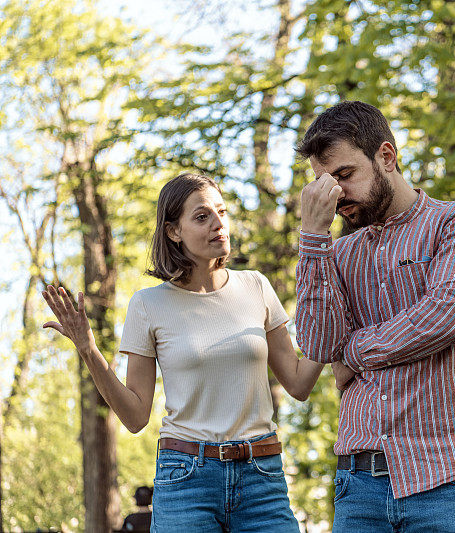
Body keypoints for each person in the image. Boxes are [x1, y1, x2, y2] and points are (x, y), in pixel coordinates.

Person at [42, 173, 324, 532]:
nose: (218, 224)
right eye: (202, 216)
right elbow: (134, 416)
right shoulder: (148, 304)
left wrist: (337, 330)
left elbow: (298, 383)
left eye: (221, 212)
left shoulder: (256, 286)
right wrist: (88, 349)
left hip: (261, 476)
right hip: (187, 478)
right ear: (174, 231)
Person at [294, 101, 455, 532]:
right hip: (358, 485)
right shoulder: (337, 253)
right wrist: (313, 236)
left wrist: (352, 353)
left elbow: (441, 319)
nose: (334, 195)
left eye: (344, 176)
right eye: (322, 183)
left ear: (386, 157)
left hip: (450, 480)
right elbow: (317, 345)